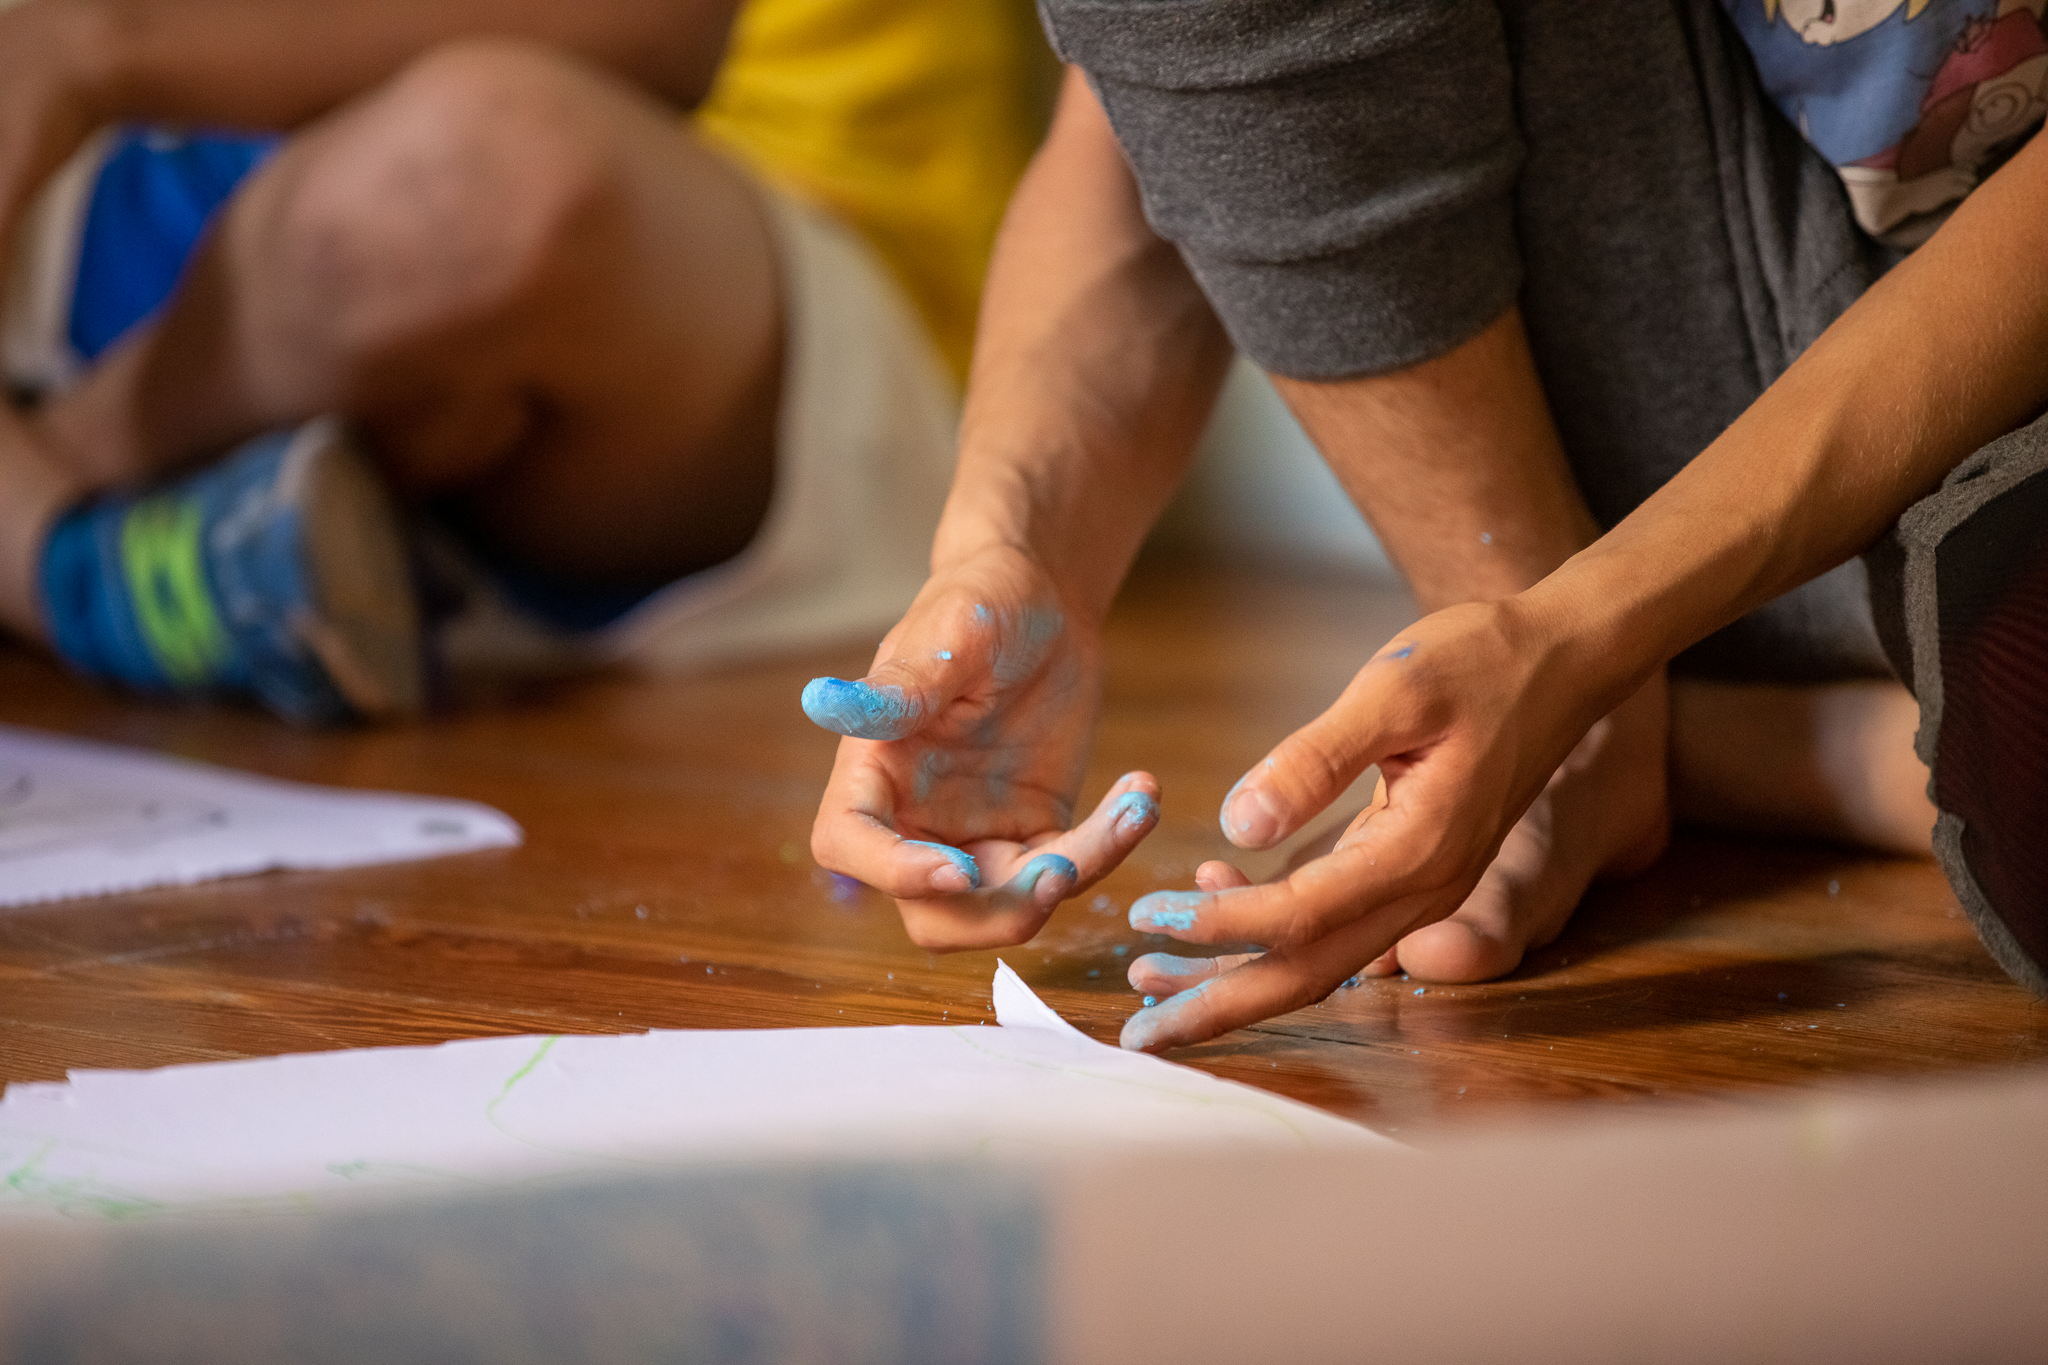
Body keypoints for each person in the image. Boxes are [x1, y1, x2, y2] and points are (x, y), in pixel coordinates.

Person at [804, 0, 2047, 1049]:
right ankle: (1665, 734)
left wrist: (1577, 647)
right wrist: (1015, 544)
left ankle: (1757, 745)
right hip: (1603, 482)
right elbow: (1154, 117)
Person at [0, 0, 1053, 723]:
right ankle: (104, 569)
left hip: (729, 259)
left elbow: (664, 31)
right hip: (168, 209)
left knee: (465, 182)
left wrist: (87, 42)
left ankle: (68, 532)